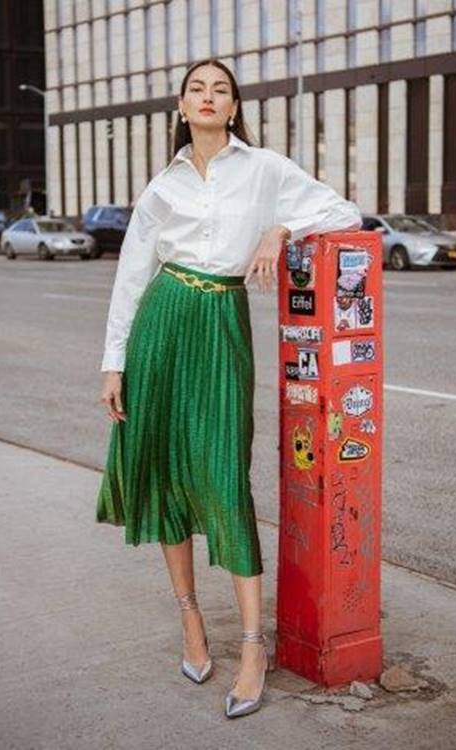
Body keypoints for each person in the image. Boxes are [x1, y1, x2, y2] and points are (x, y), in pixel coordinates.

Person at [96, 58, 361, 719]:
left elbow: (343, 209)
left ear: (235, 107)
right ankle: (189, 618)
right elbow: (132, 275)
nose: (208, 98)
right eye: (196, 90)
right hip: (161, 323)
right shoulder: (162, 186)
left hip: (221, 323)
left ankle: (251, 648)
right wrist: (113, 363)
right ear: (181, 109)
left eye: (220, 90)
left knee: (222, 475)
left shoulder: (266, 169)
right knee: (162, 471)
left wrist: (280, 228)